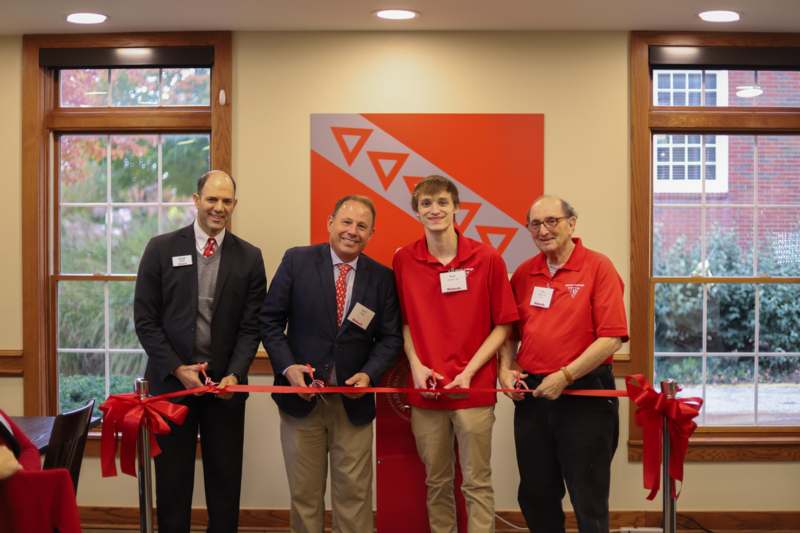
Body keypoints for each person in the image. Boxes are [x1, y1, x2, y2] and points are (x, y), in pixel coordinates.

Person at [134, 170, 267, 533]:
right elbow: (146, 321)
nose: (219, 207)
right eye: (212, 199)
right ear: (196, 201)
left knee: (225, 486)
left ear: (234, 205)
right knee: (173, 485)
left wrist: (235, 373)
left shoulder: (250, 258)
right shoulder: (161, 249)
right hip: (172, 386)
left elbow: (250, 327)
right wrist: (178, 369)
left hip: (224, 388)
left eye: (226, 201)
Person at [261, 194, 402, 533]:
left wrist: (369, 373)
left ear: (371, 234)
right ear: (330, 223)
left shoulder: (381, 278)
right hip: (300, 402)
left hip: (352, 407)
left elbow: (391, 338)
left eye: (361, 226)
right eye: (346, 222)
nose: (352, 231)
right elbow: (268, 321)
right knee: (305, 496)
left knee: (354, 497)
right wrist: (288, 367)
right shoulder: (296, 261)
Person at [392, 175, 518, 533]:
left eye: (443, 202)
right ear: (416, 211)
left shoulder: (488, 258)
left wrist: (470, 371)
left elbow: (504, 325)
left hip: (474, 390)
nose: (435, 210)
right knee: (436, 483)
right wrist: (415, 366)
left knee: (476, 483)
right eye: (427, 204)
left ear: (457, 208)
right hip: (426, 390)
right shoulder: (404, 260)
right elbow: (403, 322)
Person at [499, 195, 628, 533]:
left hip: (585, 392)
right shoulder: (525, 273)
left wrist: (566, 375)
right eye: (535, 224)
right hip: (533, 394)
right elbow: (509, 332)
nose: (543, 230)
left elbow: (611, 338)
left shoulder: (599, 267)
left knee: (588, 495)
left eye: (552, 221)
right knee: (536, 493)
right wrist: (505, 368)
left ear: (572, 223)